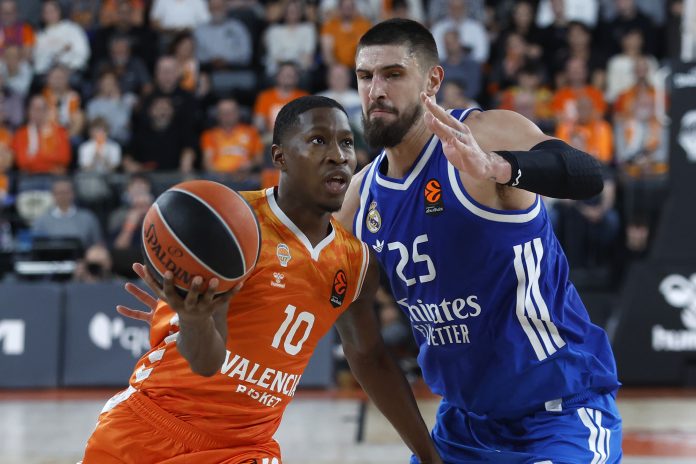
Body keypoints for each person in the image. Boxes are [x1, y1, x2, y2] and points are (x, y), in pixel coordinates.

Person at [81, 96, 442, 464]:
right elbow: (205, 362)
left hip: (245, 448)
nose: (338, 155)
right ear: (279, 157)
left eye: (346, 142)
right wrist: (193, 319)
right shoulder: (231, 225)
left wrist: (429, 455)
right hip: (150, 429)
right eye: (318, 140)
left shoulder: (356, 263)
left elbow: (370, 357)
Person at [336, 19, 622, 463]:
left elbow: (588, 175)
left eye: (393, 74)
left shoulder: (484, 134)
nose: (376, 90)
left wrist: (498, 167)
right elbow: (363, 349)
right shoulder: (359, 199)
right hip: (463, 427)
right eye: (365, 76)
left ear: (432, 81)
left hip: (558, 414)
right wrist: (428, 455)